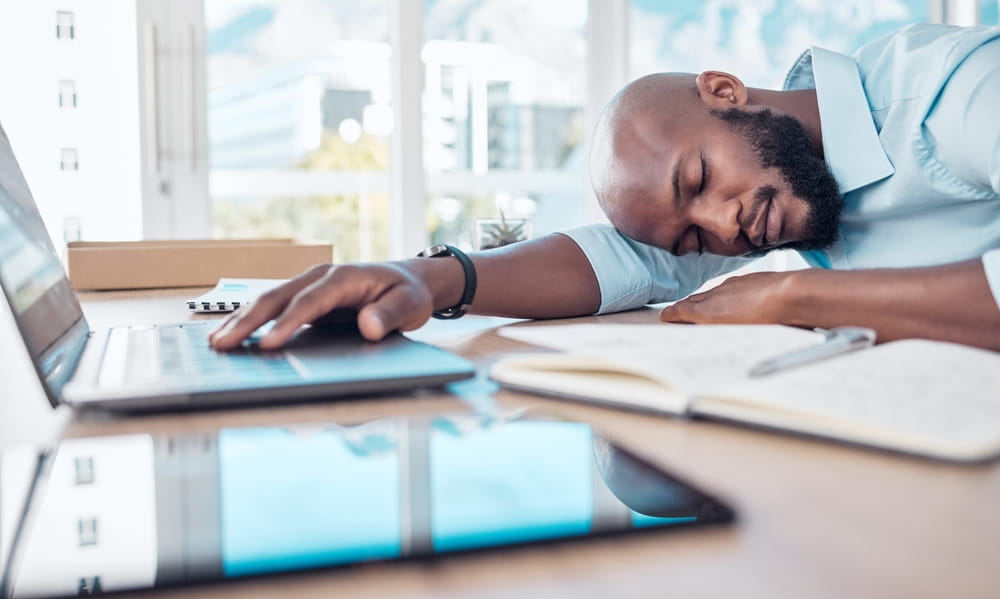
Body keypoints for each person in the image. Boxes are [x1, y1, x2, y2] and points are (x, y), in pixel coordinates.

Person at [210, 23, 1000, 353]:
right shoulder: (770, 189)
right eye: (693, 238)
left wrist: (797, 300)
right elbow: (628, 262)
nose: (722, 230)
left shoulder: (956, 95)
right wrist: (432, 276)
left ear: (726, 90)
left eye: (696, 179)